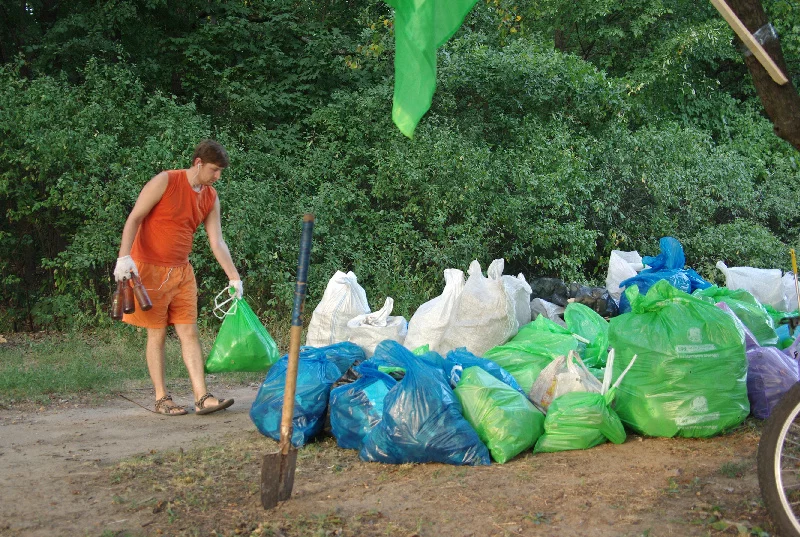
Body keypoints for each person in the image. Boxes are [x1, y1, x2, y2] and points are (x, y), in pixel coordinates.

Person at [113, 140, 242, 416]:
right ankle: (161, 399)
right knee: (157, 333)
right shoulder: (166, 181)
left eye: (220, 171)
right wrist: (124, 258)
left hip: (182, 272)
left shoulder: (210, 197)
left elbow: (217, 241)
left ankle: (202, 397)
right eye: (214, 170)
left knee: (189, 331)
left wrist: (234, 278)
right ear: (198, 163)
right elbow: (135, 218)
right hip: (149, 271)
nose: (218, 176)